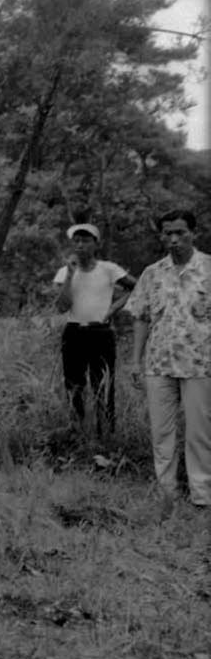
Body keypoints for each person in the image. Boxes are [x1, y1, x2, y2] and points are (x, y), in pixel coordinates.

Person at [125, 209, 211, 506]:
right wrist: (135, 361)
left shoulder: (208, 269)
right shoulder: (152, 273)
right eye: (168, 234)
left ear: (193, 233)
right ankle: (167, 493)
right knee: (162, 432)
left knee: (200, 433)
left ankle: (202, 494)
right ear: (162, 236)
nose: (174, 239)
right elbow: (140, 317)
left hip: (200, 363)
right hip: (158, 364)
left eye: (180, 233)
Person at [51, 223, 135, 434]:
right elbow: (61, 306)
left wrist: (114, 308)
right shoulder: (64, 272)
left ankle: (106, 434)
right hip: (74, 332)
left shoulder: (108, 269)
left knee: (103, 385)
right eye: (76, 241)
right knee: (74, 385)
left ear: (96, 244)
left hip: (100, 333)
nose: (80, 245)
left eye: (86, 241)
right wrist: (70, 275)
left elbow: (138, 286)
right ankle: (78, 432)